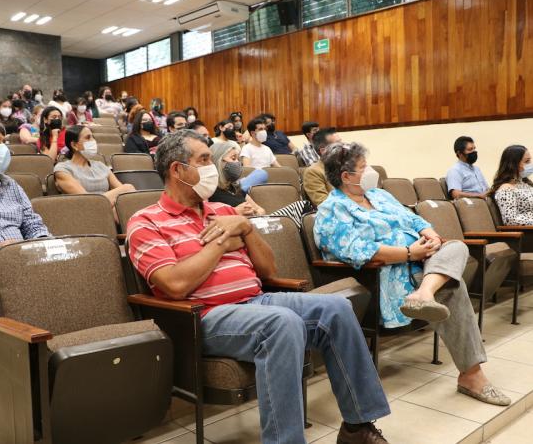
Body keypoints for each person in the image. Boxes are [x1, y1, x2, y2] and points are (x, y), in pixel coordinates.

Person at [127, 129, 392, 444]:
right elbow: (174, 284)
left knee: (337, 307)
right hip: (203, 317)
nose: (212, 167)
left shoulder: (224, 211)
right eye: (203, 160)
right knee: (282, 324)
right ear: (177, 170)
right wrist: (224, 242)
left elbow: (268, 268)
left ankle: (357, 427)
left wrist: (245, 229)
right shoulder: (146, 222)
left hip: (255, 300)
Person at [314, 142, 511, 407]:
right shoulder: (332, 210)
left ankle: (424, 293)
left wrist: (428, 233)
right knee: (451, 287)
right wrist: (409, 253)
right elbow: (358, 251)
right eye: (363, 168)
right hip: (388, 277)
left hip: (423, 266)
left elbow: (414, 218)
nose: (371, 171)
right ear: (346, 176)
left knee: (456, 247)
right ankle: (471, 375)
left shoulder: (379, 196)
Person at [0, 119, 49, 315]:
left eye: (4, 142)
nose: (2, 148)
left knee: (65, 273)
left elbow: (32, 224)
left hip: (22, 259)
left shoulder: (11, 185)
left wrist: (43, 244)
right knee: (15, 286)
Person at [209, 141, 312, 226]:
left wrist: (255, 212)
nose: (238, 163)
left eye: (238, 159)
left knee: (302, 205)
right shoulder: (211, 192)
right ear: (219, 162)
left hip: (259, 222)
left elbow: (261, 210)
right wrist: (236, 212)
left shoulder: (235, 187)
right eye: (233, 158)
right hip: (246, 229)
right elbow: (212, 221)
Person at [54, 125, 135, 214]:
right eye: (88, 138)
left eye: (93, 137)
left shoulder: (100, 165)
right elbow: (87, 201)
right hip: (83, 213)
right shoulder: (63, 169)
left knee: (126, 203)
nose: (93, 141)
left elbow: (123, 194)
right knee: (128, 188)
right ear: (74, 145)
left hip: (107, 210)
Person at [491, 144, 533, 225]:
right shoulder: (506, 189)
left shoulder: (525, 184)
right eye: (527, 161)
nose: (531, 165)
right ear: (513, 164)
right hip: (527, 233)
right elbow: (510, 220)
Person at [303, 128, 341, 206]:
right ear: (324, 151)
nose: (344, 147)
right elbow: (324, 204)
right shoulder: (313, 172)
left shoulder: (350, 165)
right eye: (338, 144)